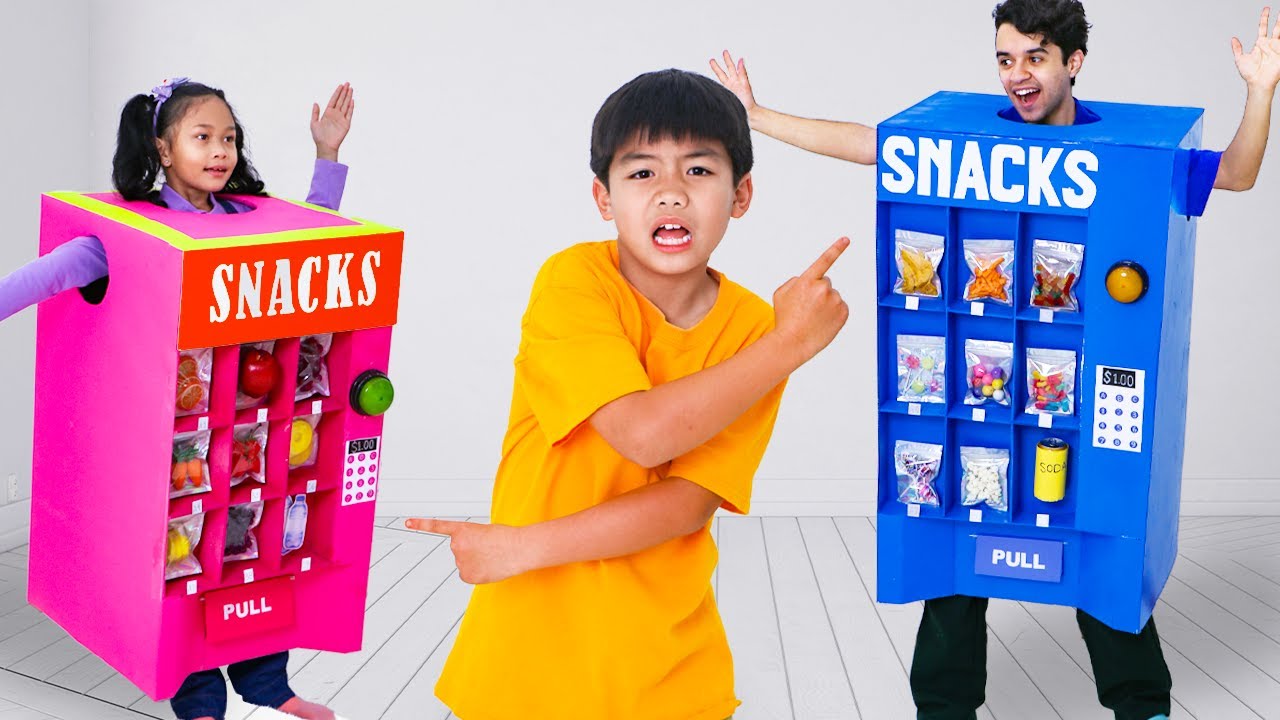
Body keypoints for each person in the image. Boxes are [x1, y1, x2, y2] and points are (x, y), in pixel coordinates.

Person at [710, 2, 1280, 718]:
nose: (1018, 75)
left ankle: (1142, 703)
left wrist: (1261, 91)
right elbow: (867, 143)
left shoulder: (1129, 154)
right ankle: (943, 707)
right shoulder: (966, 140)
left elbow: (1235, 173)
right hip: (972, 394)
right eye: (1006, 59)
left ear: (1074, 62)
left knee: (1101, 551)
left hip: (1085, 397)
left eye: (1035, 57)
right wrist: (757, 116)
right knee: (955, 548)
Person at [405, 68, 850, 719]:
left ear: (741, 193)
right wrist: (790, 345)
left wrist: (519, 548)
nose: (670, 194)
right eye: (642, 173)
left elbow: (685, 506)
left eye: (698, 171)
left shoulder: (755, 328)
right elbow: (643, 434)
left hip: (666, 669)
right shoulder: (574, 281)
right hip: (528, 655)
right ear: (604, 198)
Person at [0, 77, 356, 720]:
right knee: (180, 568)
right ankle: (198, 700)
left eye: (229, 138)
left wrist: (326, 157)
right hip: (175, 430)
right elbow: (41, 278)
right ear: (163, 149)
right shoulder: (128, 233)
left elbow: (314, 236)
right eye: (202, 137)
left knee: (253, 550)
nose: (220, 150)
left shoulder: (248, 217)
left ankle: (269, 686)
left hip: (255, 418)